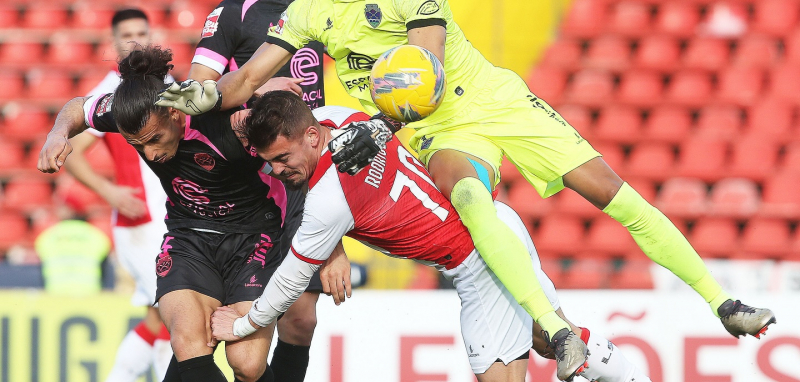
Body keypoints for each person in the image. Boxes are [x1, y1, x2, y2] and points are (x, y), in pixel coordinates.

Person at [156, 0, 776, 379]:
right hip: (438, 127)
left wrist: (379, 124)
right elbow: (244, 81)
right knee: (472, 199)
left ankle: (721, 302)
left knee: (612, 192)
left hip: (487, 96)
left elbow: (423, 67)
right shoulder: (311, 6)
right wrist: (204, 93)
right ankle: (560, 335)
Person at [209, 91, 652, 382]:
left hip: (480, 266)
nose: (279, 171)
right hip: (495, 222)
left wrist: (245, 323)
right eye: (270, 163)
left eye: (283, 158)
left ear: (310, 137)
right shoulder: (342, 117)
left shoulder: (328, 201)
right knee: (552, 337)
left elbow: (288, 282)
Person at [38, 46, 349, 382]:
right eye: (138, 145)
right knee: (189, 344)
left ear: (175, 114)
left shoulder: (231, 126)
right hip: (189, 237)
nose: (151, 153)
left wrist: (332, 249)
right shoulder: (129, 113)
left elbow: (306, 171)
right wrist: (56, 135)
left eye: (154, 139)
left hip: (254, 239)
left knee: (247, 364)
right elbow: (77, 108)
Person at [189, 0, 328, 382]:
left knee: (304, 319)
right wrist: (257, 86)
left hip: (311, 185)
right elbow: (196, 95)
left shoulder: (318, 2)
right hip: (255, 195)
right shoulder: (231, 13)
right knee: (248, 361)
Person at [63, 9, 173, 382]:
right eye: (126, 34)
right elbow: (72, 151)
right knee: (177, 314)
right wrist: (109, 191)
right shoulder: (107, 92)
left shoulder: (168, 81)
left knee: (158, 318)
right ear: (113, 43)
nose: (136, 40)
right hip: (140, 222)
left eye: (141, 31)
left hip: (172, 217)